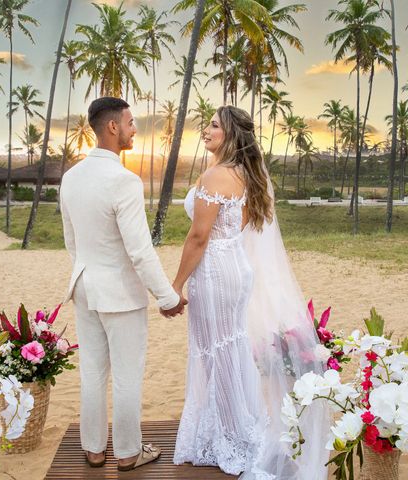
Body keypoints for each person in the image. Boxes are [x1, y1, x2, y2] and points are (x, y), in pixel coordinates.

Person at [172, 105, 330, 479]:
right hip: (234, 267)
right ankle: (230, 428)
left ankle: (235, 437)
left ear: (231, 134)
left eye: (214, 125)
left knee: (218, 351)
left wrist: (175, 284)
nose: (206, 130)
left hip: (215, 270)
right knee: (226, 348)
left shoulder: (215, 176)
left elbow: (198, 237)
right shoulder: (246, 174)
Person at [60, 97, 188, 472]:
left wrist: (87, 271)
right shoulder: (124, 180)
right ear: (113, 127)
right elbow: (140, 252)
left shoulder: (71, 177)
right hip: (119, 293)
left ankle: (94, 449)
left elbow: (72, 241)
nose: (134, 129)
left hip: (84, 286)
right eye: (131, 123)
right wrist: (167, 297)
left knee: (93, 371)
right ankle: (129, 453)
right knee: (127, 376)